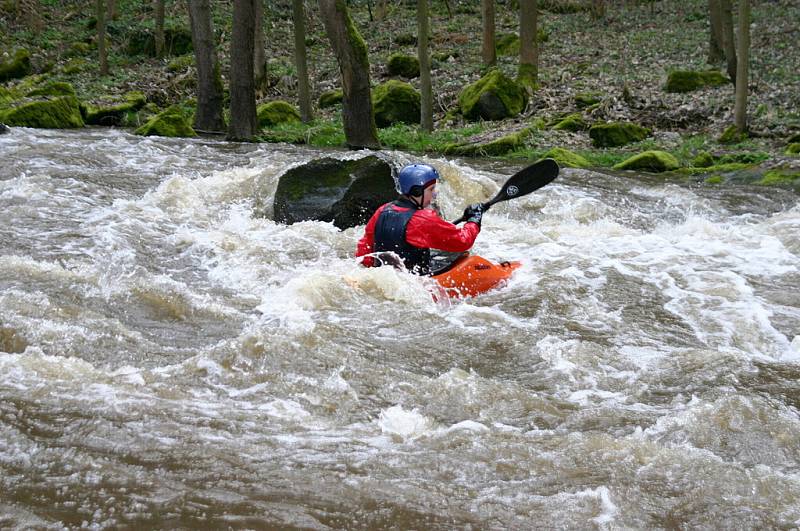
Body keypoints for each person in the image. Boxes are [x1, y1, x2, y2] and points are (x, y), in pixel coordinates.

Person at [356, 163, 484, 275]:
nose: (434, 194)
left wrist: (369, 271)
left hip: (388, 277)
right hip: (416, 281)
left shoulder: (383, 210)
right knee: (462, 255)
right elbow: (463, 241)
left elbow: (365, 246)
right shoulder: (422, 219)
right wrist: (474, 221)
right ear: (416, 192)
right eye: (431, 189)